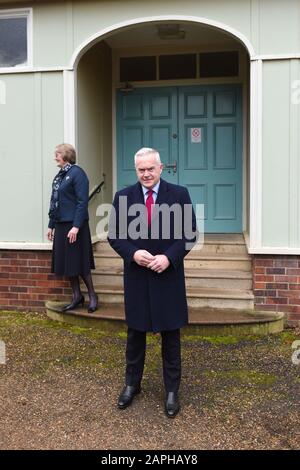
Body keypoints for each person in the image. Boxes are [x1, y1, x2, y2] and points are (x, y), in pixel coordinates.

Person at [108, 147, 198, 418]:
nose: (146, 174)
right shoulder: (123, 197)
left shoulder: (179, 195)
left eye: (150, 169)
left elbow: (190, 234)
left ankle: (172, 390)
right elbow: (115, 236)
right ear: (136, 171)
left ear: (160, 168)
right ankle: (131, 384)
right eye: (141, 170)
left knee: (171, 335)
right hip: (137, 277)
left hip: (167, 277)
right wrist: (133, 253)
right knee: (135, 335)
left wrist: (169, 258)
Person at [47, 143, 98, 313]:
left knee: (79, 262)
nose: (55, 157)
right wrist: (51, 225)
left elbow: (82, 202)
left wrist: (76, 227)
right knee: (67, 263)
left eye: (57, 154)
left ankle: (92, 295)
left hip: (76, 226)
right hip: (61, 225)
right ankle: (77, 296)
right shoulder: (60, 176)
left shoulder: (77, 173)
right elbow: (55, 201)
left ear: (66, 155)